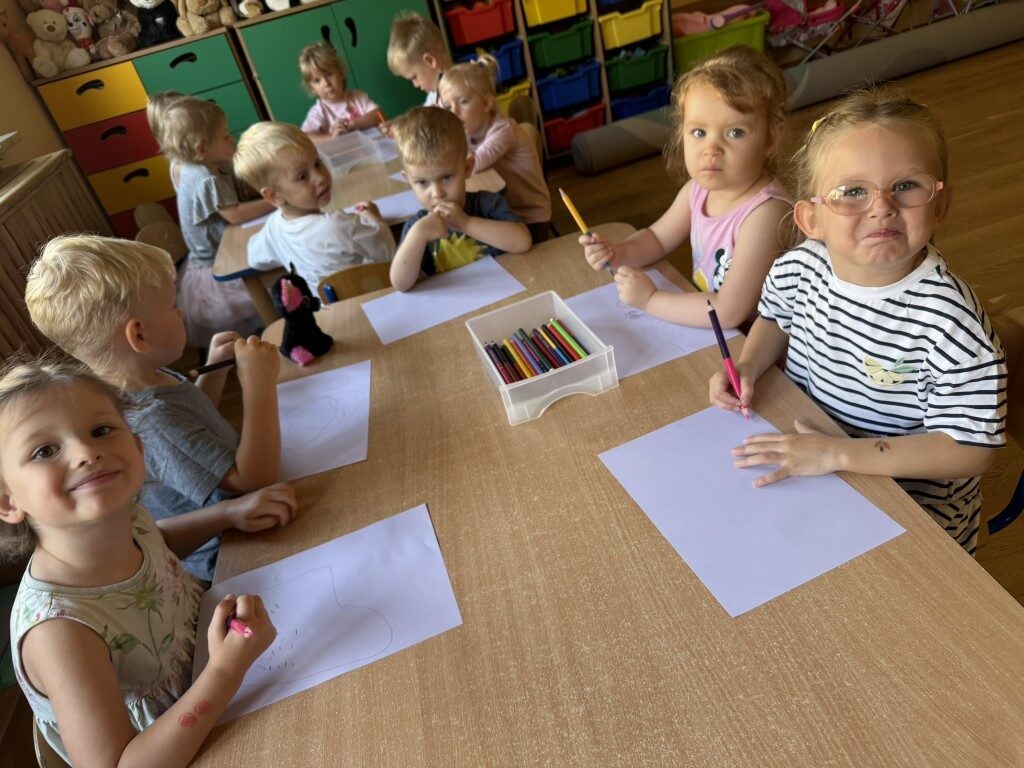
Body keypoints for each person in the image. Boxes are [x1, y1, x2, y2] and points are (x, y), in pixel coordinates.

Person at [709, 85, 1007, 555]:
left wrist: (839, 454)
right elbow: (776, 320)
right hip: (819, 466)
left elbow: (971, 449)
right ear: (811, 219)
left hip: (917, 514)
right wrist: (747, 365)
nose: (882, 206)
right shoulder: (800, 267)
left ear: (941, 205)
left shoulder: (951, 325)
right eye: (852, 192)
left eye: (906, 186)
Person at [1, 355, 280, 765]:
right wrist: (224, 671)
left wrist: (227, 514)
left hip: (226, 691)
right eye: (44, 450)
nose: (86, 452)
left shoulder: (127, 517)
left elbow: (156, 544)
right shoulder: (59, 633)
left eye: (101, 430)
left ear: (137, 446)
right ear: (7, 502)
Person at [26, 235, 291, 582]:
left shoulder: (145, 379)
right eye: (172, 306)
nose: (180, 313)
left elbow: (191, 433)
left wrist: (215, 369)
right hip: (237, 554)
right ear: (139, 335)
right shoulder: (149, 417)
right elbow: (252, 480)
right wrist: (259, 384)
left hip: (253, 518)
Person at [581, 46, 791, 330]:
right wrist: (617, 253)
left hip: (752, 347)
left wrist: (650, 300)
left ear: (771, 138)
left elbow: (729, 312)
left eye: (735, 132)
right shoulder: (698, 190)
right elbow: (657, 238)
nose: (711, 149)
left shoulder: (766, 214)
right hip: (714, 333)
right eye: (699, 132)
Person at [159, 96, 273, 348]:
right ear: (201, 149)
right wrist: (274, 201)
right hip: (217, 267)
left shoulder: (205, 165)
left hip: (217, 253)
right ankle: (271, 335)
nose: (231, 139)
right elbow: (235, 214)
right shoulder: (204, 178)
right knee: (272, 284)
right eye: (225, 136)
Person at [235, 121, 395, 294]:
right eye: (302, 176)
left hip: (326, 308)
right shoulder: (337, 225)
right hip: (374, 296)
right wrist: (374, 219)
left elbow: (254, 258)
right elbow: (388, 251)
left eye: (317, 163)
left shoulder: (274, 226)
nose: (320, 177)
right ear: (274, 196)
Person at [389, 106, 531, 292]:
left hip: (504, 292)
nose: (437, 193)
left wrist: (466, 223)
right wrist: (418, 235)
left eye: (446, 177)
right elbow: (401, 284)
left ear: (467, 168)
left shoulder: (487, 204)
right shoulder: (417, 226)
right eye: (422, 183)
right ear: (408, 180)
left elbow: (523, 242)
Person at [438, 55, 552, 242]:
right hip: (505, 210)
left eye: (463, 102)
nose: (454, 112)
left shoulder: (503, 131)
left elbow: (473, 165)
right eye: (448, 107)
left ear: (486, 103)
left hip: (530, 217)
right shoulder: (470, 130)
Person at [298, 42, 382, 141]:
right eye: (317, 81)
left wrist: (352, 125)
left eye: (329, 74)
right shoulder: (319, 111)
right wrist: (331, 137)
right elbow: (306, 139)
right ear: (311, 88)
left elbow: (379, 115)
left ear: (341, 72)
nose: (326, 83)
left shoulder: (358, 97)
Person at [387, 11, 451, 108]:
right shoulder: (433, 96)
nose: (415, 85)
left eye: (414, 77)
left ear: (430, 61)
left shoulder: (459, 93)